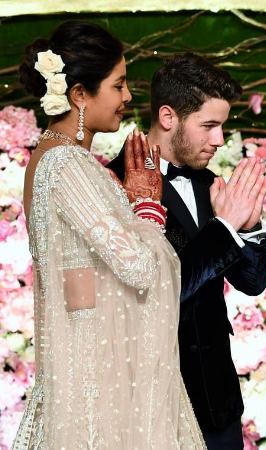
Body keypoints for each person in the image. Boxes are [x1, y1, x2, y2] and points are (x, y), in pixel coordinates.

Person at [15, 21, 206, 449]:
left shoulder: (57, 160)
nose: (128, 97)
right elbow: (139, 268)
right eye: (118, 85)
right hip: (96, 388)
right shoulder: (66, 166)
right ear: (79, 95)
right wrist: (147, 207)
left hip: (94, 373)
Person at [108, 53, 266, 450]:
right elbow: (154, 289)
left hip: (219, 404)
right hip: (152, 402)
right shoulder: (112, 184)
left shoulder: (210, 183)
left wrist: (249, 227)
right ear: (168, 117)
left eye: (222, 126)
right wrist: (226, 227)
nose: (220, 140)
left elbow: (252, 283)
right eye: (209, 126)